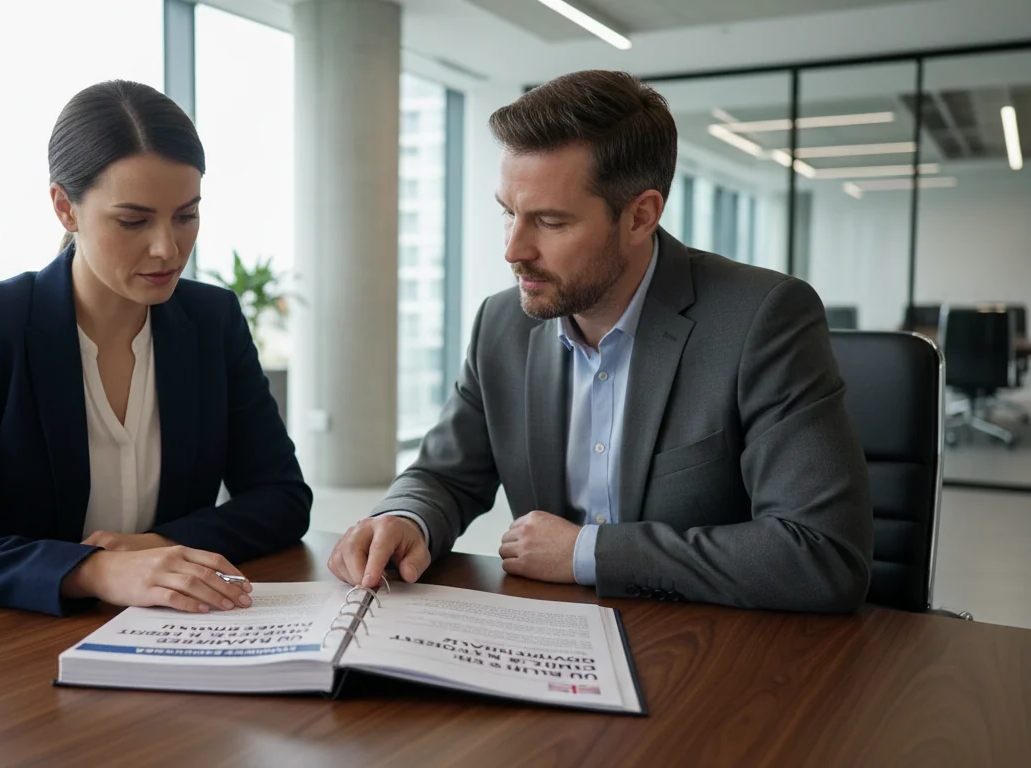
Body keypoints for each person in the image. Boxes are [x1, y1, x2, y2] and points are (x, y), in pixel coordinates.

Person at [328, 70, 873, 613]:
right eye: (508, 213)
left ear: (640, 216)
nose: (513, 250)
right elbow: (444, 474)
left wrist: (588, 552)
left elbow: (821, 554)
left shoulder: (761, 318)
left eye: (550, 221)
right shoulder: (502, 324)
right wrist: (403, 517)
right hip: (549, 642)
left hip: (707, 651)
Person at [0, 81, 311, 617]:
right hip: (16, 646)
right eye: (133, 221)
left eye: (186, 215)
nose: (167, 249)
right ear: (65, 208)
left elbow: (283, 499)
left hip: (169, 631)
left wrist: (156, 547)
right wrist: (95, 569)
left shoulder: (211, 321)